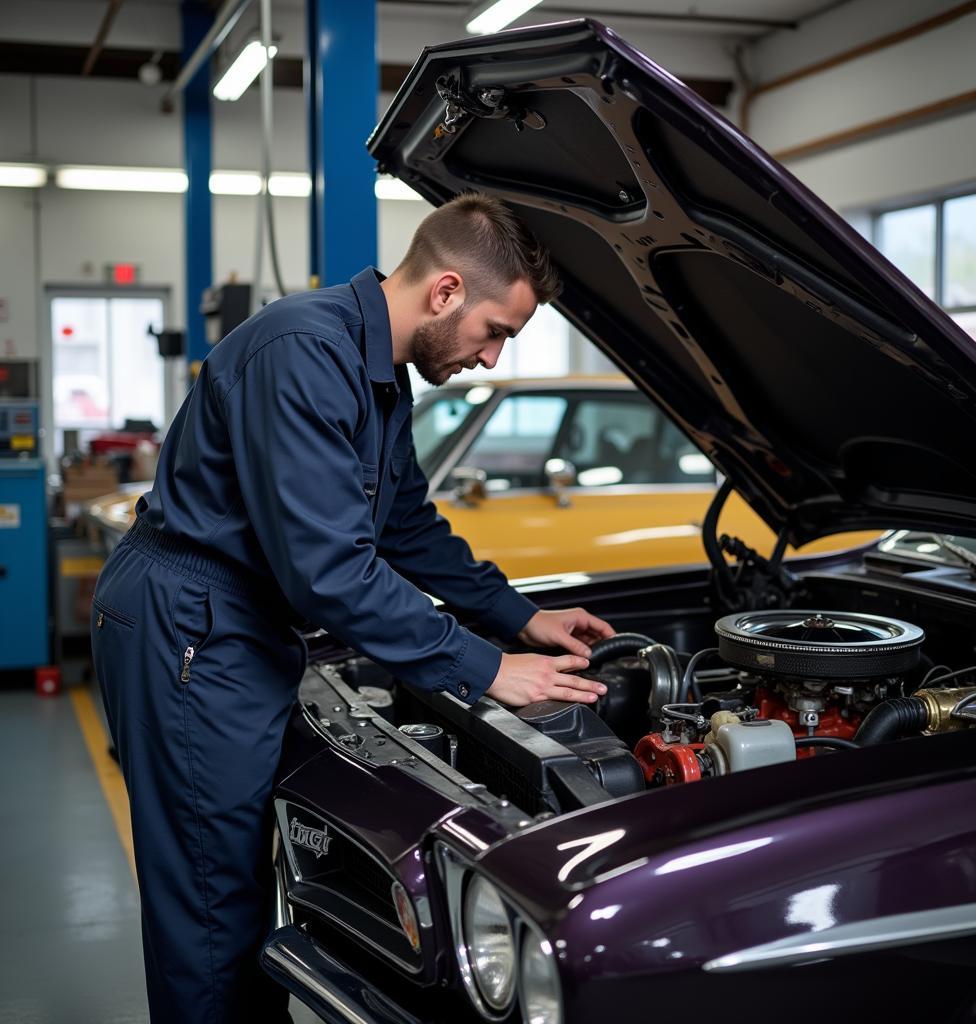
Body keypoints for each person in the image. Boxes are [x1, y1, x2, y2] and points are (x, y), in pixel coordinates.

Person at [91, 192, 615, 1024]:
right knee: (209, 907)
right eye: (496, 332)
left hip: (238, 626)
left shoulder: (377, 373)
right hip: (191, 626)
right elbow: (328, 573)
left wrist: (517, 617)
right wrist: (486, 669)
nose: (489, 359)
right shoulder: (306, 353)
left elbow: (405, 525)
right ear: (445, 292)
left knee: (238, 892)